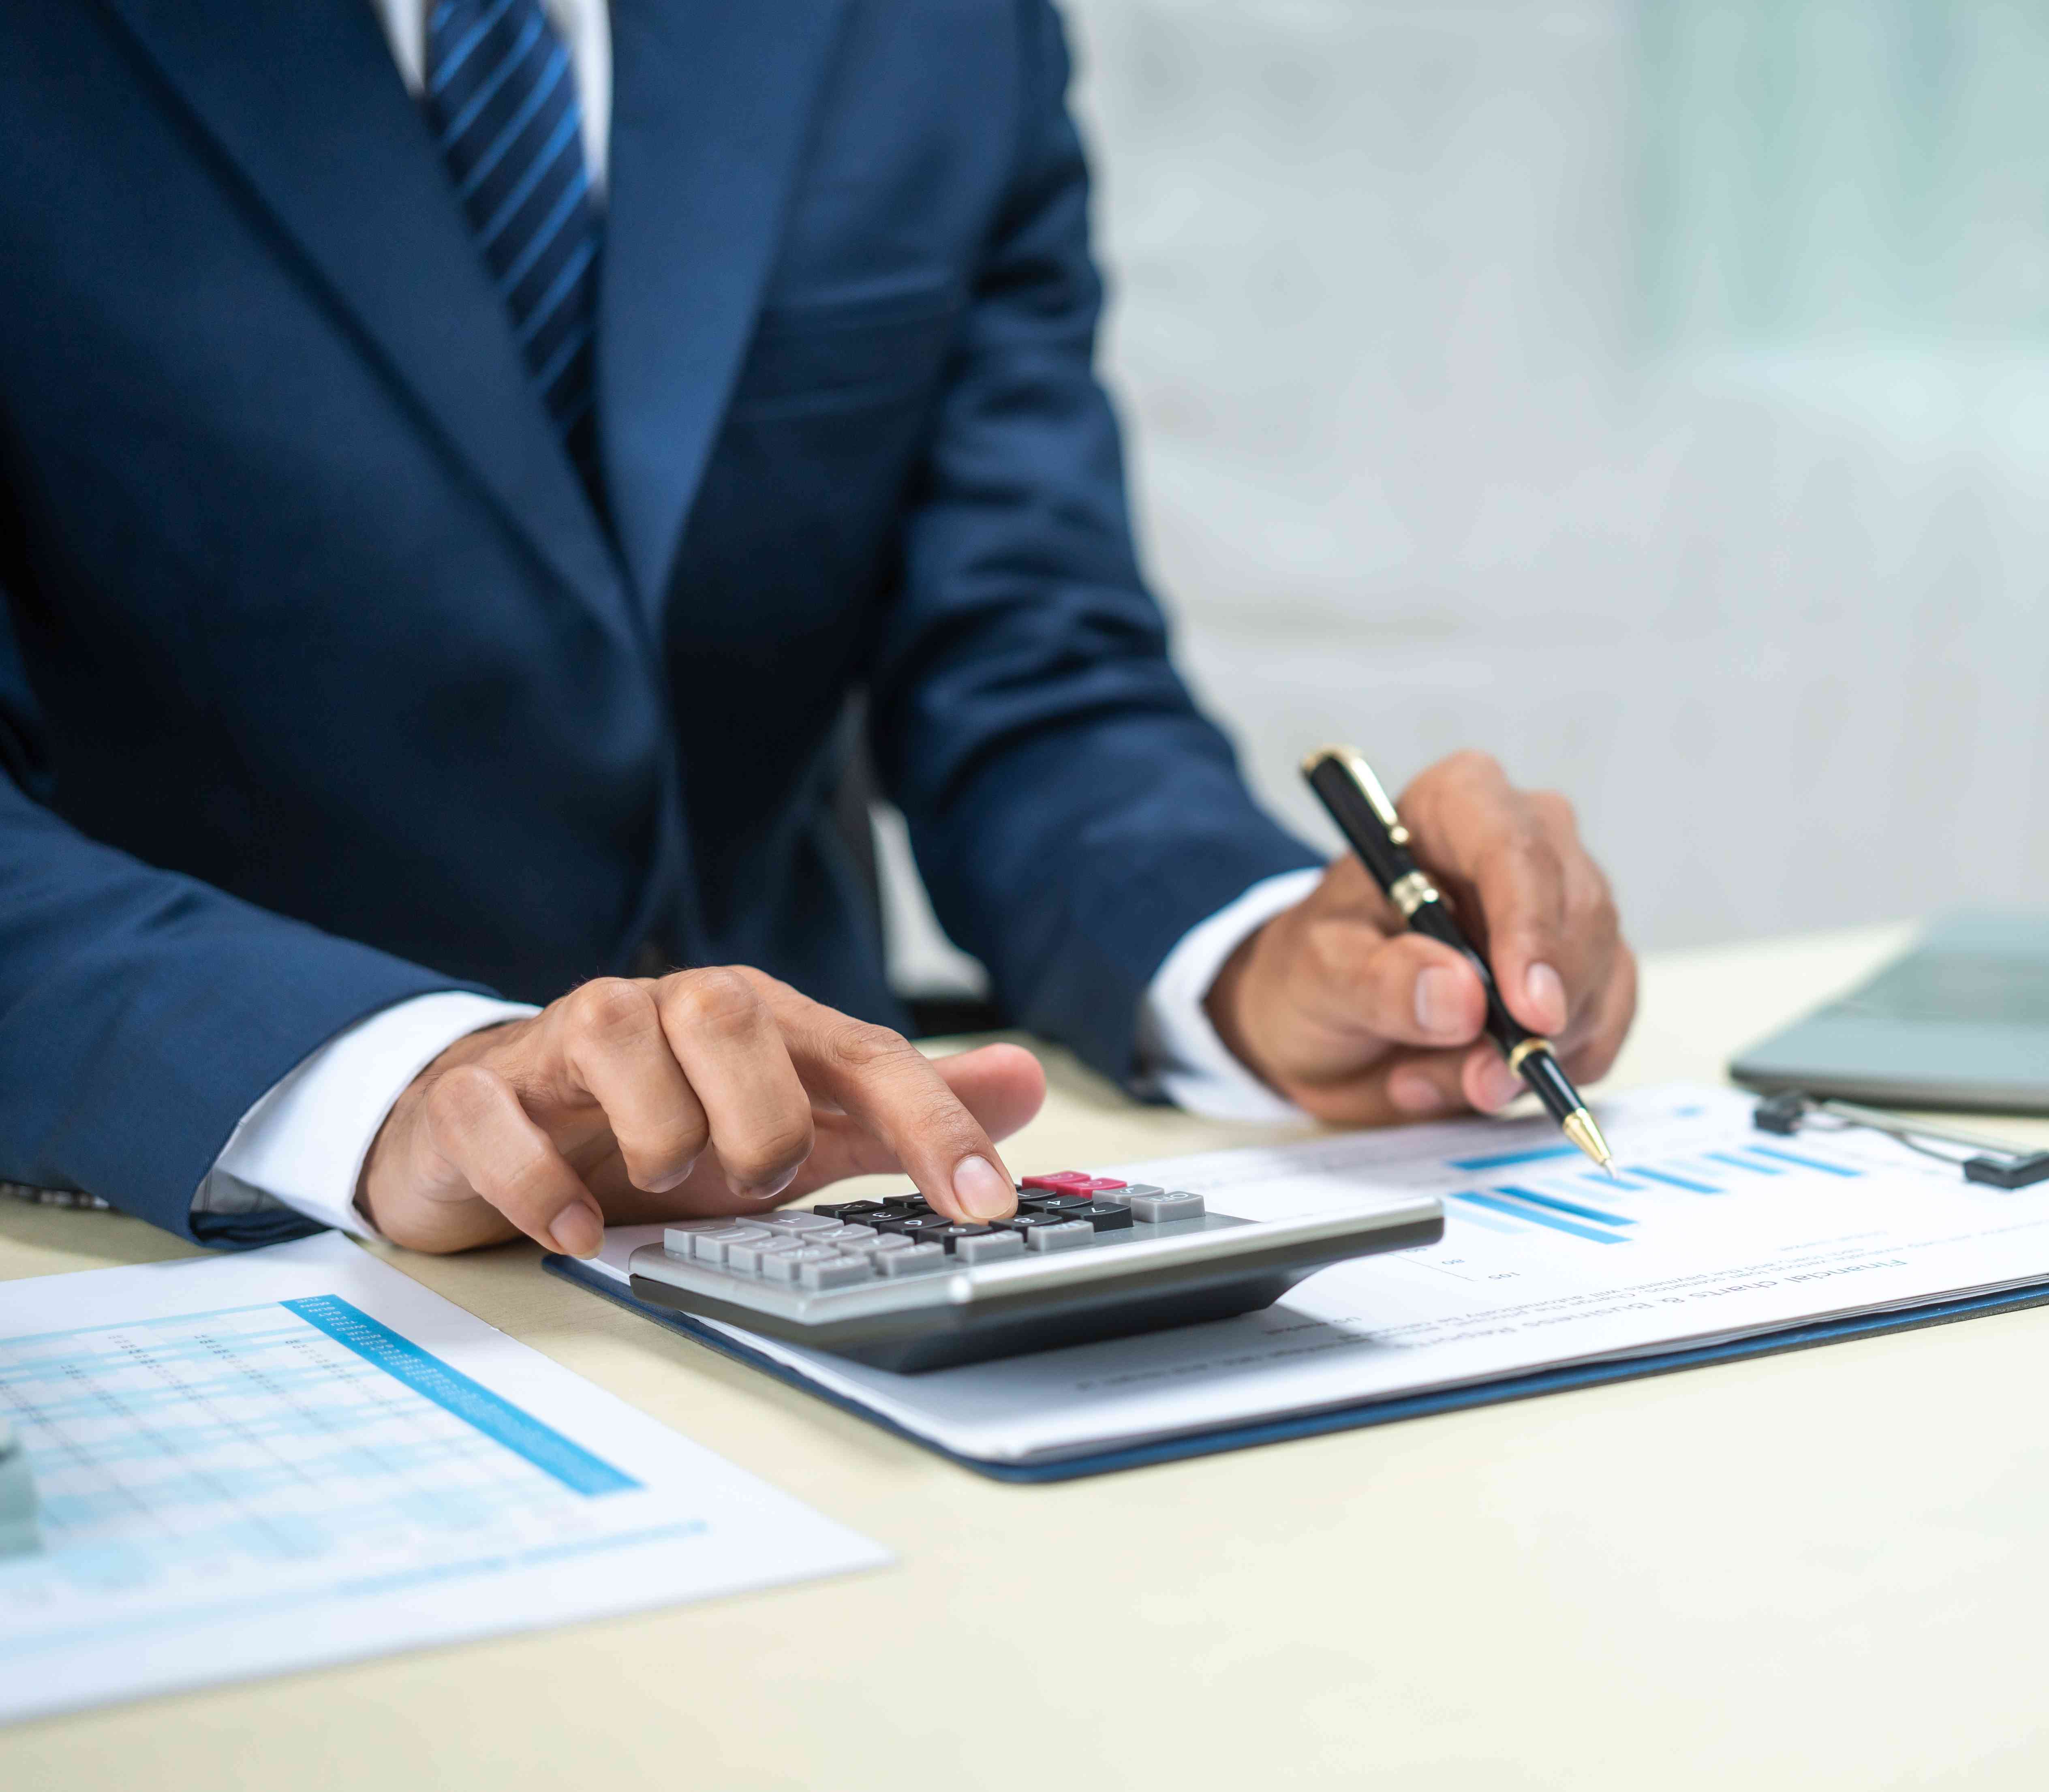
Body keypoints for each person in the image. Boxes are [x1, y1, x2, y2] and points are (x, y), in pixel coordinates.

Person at [0, 0, 1635, 1259]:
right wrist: (385, 1078)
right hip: (175, 1243)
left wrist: (1262, 959)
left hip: (835, 1227)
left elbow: (1026, 664)